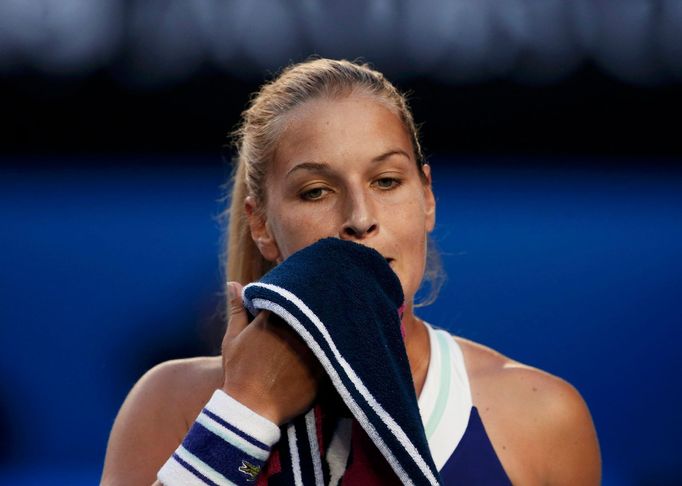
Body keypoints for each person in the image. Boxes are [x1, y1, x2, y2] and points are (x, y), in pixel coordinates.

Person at [101, 58, 601, 485]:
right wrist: (245, 411)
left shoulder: (542, 416)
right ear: (262, 225)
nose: (360, 218)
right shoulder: (173, 403)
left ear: (427, 198)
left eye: (387, 181)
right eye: (316, 191)